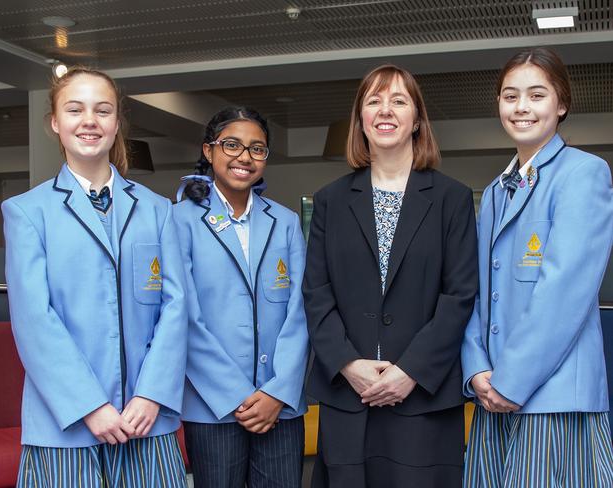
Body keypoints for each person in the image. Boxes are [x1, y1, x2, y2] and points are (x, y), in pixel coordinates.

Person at [2, 67, 188, 487]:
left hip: (145, 419)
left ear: (117, 123)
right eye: (75, 109)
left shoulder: (157, 209)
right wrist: (90, 405)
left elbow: (176, 307)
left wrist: (151, 393)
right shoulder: (27, 212)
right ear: (54, 122)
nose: (90, 120)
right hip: (64, 422)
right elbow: (34, 320)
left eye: (102, 110)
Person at [303, 64, 478, 488]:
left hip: (422, 402)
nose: (386, 111)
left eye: (399, 101)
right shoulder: (330, 200)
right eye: (374, 101)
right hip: (350, 398)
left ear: (417, 119)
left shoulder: (451, 199)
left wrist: (410, 371)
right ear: (360, 119)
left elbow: (460, 295)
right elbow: (316, 292)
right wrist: (347, 364)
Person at [462, 47, 613, 487]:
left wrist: (511, 381)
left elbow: (564, 290)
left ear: (561, 103)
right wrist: (476, 372)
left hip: (551, 393)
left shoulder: (583, 173)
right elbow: (475, 288)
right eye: (510, 96)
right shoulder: (494, 190)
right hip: (492, 391)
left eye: (536, 94)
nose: (521, 107)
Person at [173, 106, 309, 488]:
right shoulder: (180, 220)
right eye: (231, 145)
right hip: (212, 405)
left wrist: (277, 392)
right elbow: (184, 317)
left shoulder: (284, 221)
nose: (245, 157)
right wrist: (235, 396)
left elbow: (300, 312)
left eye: (257, 149)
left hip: (278, 406)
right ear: (209, 150)